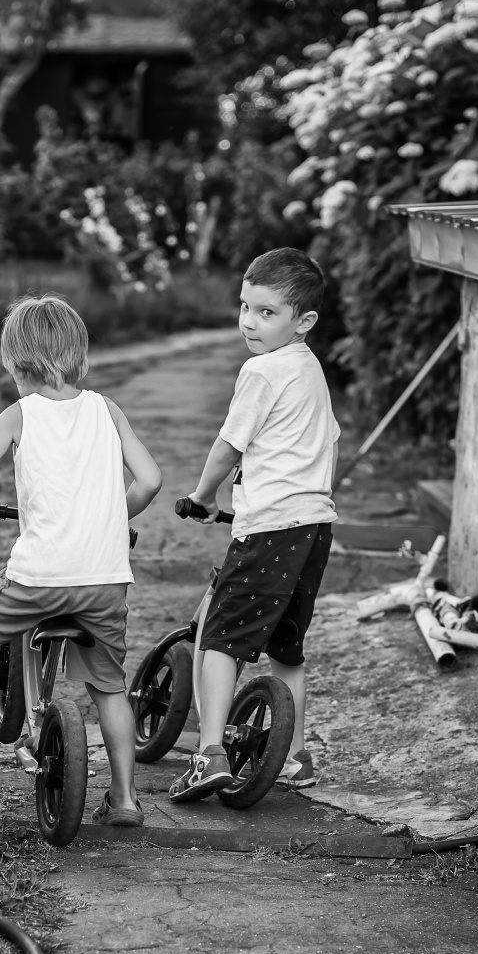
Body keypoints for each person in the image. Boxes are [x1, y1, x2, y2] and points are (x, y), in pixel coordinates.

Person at [0, 295, 162, 827]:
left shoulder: (17, 415)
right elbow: (151, 480)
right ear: (79, 354)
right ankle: (124, 799)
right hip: (105, 581)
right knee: (110, 687)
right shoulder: (106, 409)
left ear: (14, 361)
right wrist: (112, 518)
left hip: (40, 576)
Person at [170, 247, 339, 802]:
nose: (248, 322)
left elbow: (229, 445)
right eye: (245, 307)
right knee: (287, 647)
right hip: (313, 527)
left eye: (267, 313)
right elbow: (309, 447)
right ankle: (293, 757)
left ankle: (209, 752)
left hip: (270, 528)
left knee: (219, 639)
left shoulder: (262, 370)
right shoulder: (309, 369)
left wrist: (202, 494)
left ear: (303, 321)